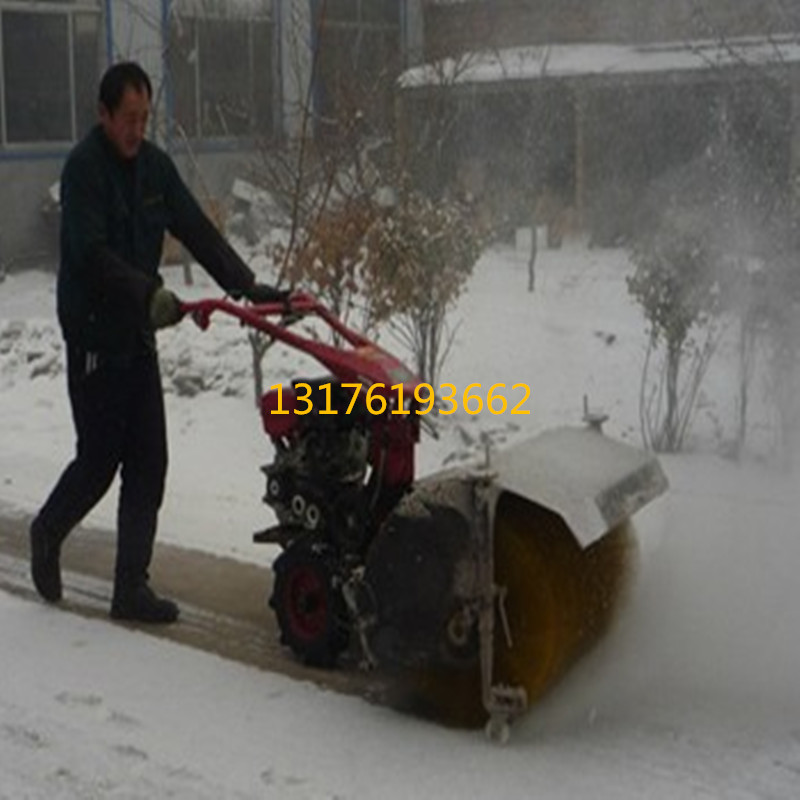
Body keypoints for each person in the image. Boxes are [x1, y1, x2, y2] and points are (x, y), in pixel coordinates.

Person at [29, 61, 286, 623]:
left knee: (150, 461)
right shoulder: (84, 172)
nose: (137, 130)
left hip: (137, 334)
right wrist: (148, 294)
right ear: (103, 115)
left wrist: (248, 287)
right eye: (128, 118)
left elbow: (197, 229)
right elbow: (91, 257)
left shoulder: (155, 169)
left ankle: (130, 589)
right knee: (99, 461)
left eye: (144, 118)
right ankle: (47, 532)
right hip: (96, 336)